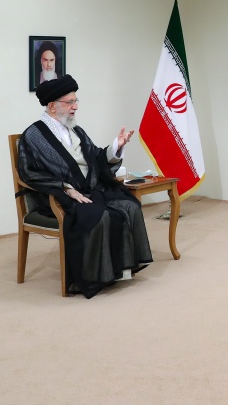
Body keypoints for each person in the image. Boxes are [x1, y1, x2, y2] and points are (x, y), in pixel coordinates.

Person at [17, 75, 153, 298]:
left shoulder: (75, 130)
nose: (76, 107)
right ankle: (92, 277)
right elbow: (28, 172)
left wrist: (116, 147)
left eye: (76, 101)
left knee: (130, 206)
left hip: (89, 190)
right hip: (57, 197)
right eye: (70, 102)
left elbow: (96, 157)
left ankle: (119, 271)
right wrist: (65, 187)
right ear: (52, 106)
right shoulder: (33, 136)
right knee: (98, 215)